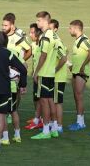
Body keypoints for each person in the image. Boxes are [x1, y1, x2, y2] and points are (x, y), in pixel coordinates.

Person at [0, 13, 32, 144]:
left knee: (4, 112)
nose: (3, 27)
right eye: (2, 25)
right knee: (12, 111)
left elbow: (29, 50)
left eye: (5, 25)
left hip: (9, 79)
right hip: (12, 78)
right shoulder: (3, 37)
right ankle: (17, 135)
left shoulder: (18, 38)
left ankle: (6, 137)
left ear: (12, 26)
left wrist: (22, 61)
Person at [31, 11, 59, 140]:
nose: (37, 23)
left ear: (45, 21)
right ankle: (54, 129)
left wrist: (36, 72)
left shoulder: (45, 36)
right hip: (51, 74)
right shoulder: (53, 35)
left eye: (38, 21)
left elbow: (43, 55)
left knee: (44, 102)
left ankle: (46, 130)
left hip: (44, 73)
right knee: (50, 101)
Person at [68, 20, 90, 131]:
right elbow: (80, 56)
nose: (69, 30)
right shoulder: (77, 40)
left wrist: (83, 66)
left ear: (75, 28)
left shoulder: (84, 40)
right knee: (76, 97)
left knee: (79, 97)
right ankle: (79, 121)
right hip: (75, 72)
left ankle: (80, 123)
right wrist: (73, 66)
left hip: (81, 73)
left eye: (70, 28)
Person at [49, 19, 68, 133]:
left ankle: (59, 126)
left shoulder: (57, 41)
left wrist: (55, 70)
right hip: (55, 77)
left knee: (57, 102)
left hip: (58, 78)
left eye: (51, 28)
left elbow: (64, 58)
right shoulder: (54, 40)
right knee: (54, 101)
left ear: (55, 29)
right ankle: (54, 124)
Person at [25, 23, 43, 130]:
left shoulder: (42, 44)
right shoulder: (33, 44)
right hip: (36, 76)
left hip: (41, 76)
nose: (30, 34)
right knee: (36, 98)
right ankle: (38, 118)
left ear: (38, 32)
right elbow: (27, 56)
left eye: (32, 32)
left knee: (41, 99)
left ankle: (39, 120)